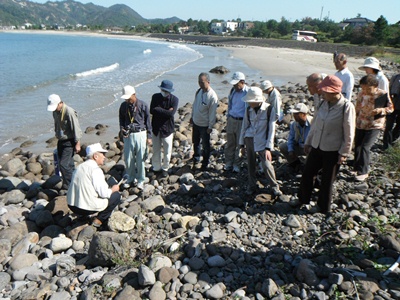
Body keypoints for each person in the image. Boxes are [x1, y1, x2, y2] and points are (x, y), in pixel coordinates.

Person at [298, 75, 355, 215]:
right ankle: (302, 200)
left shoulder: (346, 107)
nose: (322, 93)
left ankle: (323, 207)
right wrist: (308, 142)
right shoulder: (323, 103)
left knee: (326, 181)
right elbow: (315, 125)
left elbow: (349, 133)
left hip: (333, 149)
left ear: (334, 91)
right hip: (317, 145)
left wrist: (344, 153)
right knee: (307, 173)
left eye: (325, 91)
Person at [239, 87, 282, 196]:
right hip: (249, 138)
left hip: (263, 141)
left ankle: (274, 186)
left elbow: (272, 129)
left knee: (267, 165)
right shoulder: (248, 110)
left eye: (251, 101)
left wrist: (268, 148)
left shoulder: (269, 110)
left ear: (257, 100)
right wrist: (241, 145)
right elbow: (244, 126)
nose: (249, 103)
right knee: (251, 165)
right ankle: (252, 185)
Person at [67, 143, 121, 228]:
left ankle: (83, 217)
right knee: (116, 196)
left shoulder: (79, 167)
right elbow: (104, 194)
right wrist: (114, 189)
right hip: (85, 208)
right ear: (95, 156)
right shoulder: (95, 170)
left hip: (72, 205)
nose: (104, 157)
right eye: (102, 154)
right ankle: (99, 220)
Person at [353, 75, 393, 181]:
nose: (365, 90)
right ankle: (356, 167)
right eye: (363, 88)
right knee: (357, 145)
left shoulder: (382, 94)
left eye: (368, 88)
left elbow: (391, 108)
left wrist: (381, 110)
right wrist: (354, 119)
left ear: (375, 86)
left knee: (365, 147)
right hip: (361, 122)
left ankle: (364, 171)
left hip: (375, 124)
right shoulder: (361, 93)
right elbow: (357, 107)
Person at [119, 85, 152, 190]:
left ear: (134, 94)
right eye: (126, 98)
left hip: (141, 134)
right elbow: (121, 120)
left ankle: (141, 179)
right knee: (128, 159)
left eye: (129, 97)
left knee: (140, 159)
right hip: (128, 135)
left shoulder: (143, 105)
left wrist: (149, 136)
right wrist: (122, 130)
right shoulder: (123, 106)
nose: (127, 100)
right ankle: (130, 178)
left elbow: (148, 122)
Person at [47, 94, 82, 189]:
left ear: (60, 103)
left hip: (70, 141)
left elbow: (76, 127)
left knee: (64, 164)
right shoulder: (55, 112)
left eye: (55, 107)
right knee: (69, 164)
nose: (54, 109)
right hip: (61, 140)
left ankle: (70, 186)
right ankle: (75, 181)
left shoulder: (69, 112)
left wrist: (77, 143)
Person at [150, 80, 179, 177]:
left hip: (168, 129)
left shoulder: (175, 99)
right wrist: (166, 111)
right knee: (156, 150)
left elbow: (171, 114)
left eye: (166, 91)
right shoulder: (155, 97)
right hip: (156, 128)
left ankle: (165, 168)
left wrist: (159, 109)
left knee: (167, 151)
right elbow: (152, 110)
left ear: (170, 91)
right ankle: (156, 167)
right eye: (163, 90)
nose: (164, 92)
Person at [190, 72, 219, 170]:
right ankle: (196, 159)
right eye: (199, 82)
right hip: (196, 122)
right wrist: (192, 116)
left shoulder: (212, 96)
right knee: (196, 142)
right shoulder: (199, 91)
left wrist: (210, 127)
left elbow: (212, 113)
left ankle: (205, 163)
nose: (200, 84)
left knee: (206, 146)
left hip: (205, 125)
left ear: (208, 82)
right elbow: (195, 105)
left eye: (202, 82)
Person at [225, 71, 248, 172]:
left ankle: (237, 165)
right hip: (232, 119)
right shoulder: (232, 91)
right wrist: (228, 117)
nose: (234, 85)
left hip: (241, 121)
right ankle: (229, 163)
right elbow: (230, 104)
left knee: (240, 144)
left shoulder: (248, 92)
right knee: (230, 143)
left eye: (236, 83)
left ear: (242, 82)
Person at [383, 73, 400, 149]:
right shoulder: (395, 77)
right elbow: (389, 90)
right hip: (393, 104)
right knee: (389, 125)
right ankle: (386, 144)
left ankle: (392, 140)